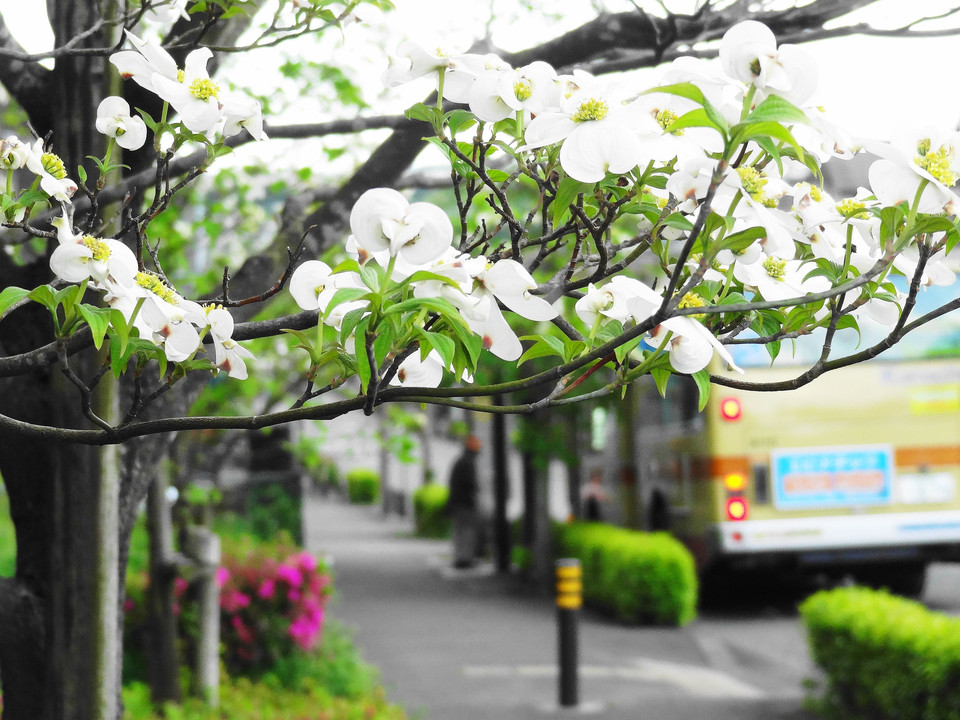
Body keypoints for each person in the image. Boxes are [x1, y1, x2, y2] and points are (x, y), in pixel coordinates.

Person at [447, 435, 481, 568]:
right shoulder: (468, 463)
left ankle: (460, 557)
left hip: (457, 503)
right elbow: (471, 485)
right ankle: (465, 559)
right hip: (465, 504)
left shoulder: (460, 461)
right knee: (467, 531)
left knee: (460, 531)